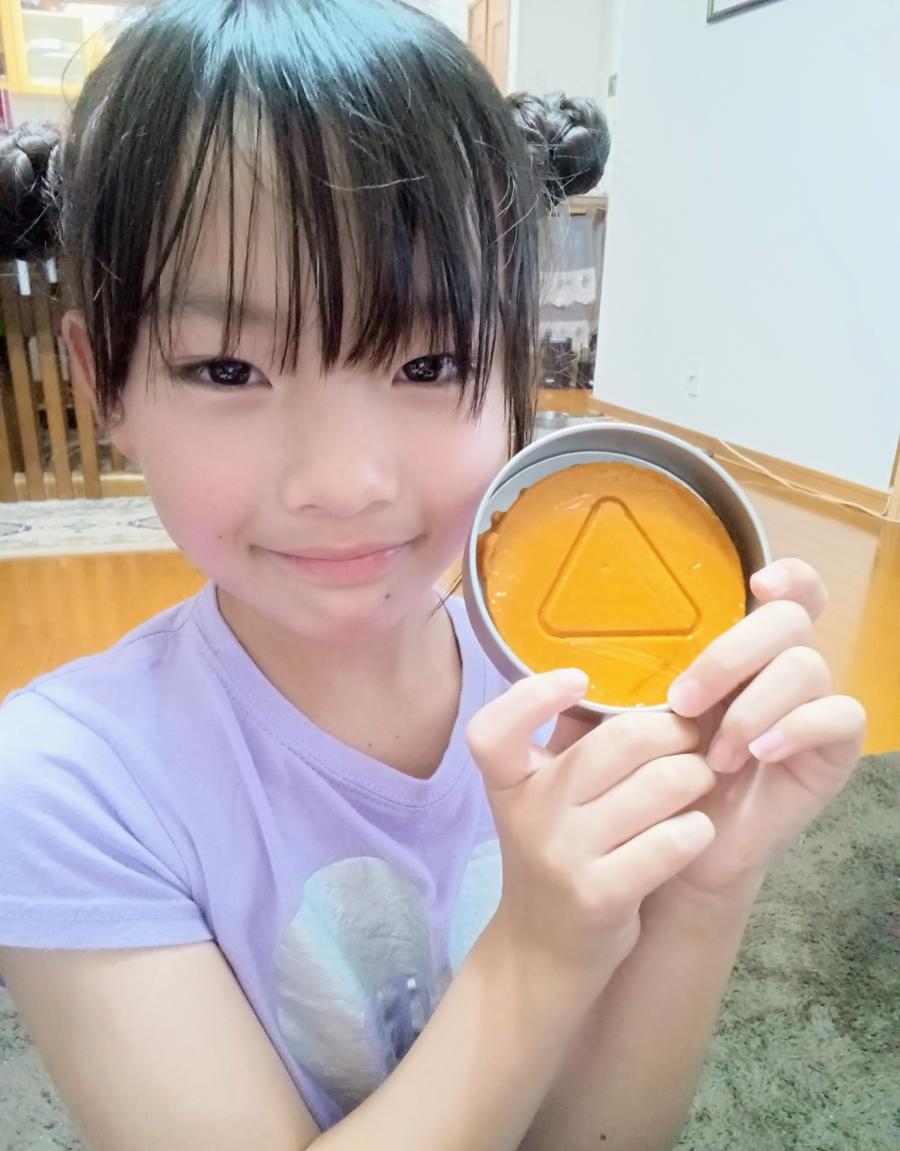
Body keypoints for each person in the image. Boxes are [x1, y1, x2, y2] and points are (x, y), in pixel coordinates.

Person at [0, 2, 865, 1149]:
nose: (343, 480)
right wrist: (536, 955)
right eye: (228, 368)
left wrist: (706, 885)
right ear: (103, 381)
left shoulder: (587, 699)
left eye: (429, 360)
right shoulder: (67, 785)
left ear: (513, 365)